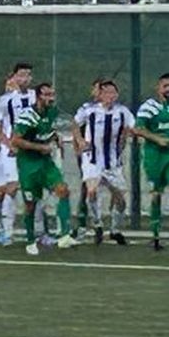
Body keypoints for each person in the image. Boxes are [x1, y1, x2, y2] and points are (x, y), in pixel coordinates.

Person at [10, 83, 79, 257]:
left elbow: (53, 127)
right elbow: (16, 141)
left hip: (46, 163)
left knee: (63, 190)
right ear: (38, 97)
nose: (51, 98)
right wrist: (39, 147)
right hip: (28, 165)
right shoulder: (28, 116)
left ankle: (64, 235)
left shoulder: (52, 112)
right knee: (31, 204)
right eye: (47, 95)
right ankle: (30, 240)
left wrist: (56, 137)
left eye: (52, 94)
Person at [133, 73, 169, 251]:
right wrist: (157, 139)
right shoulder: (149, 107)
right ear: (158, 88)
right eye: (166, 86)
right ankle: (155, 233)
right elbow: (138, 129)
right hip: (154, 157)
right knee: (156, 194)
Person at [0, 63, 36, 246]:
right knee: (0, 193)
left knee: (16, 188)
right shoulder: (1, 103)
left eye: (27, 75)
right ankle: (3, 229)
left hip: (22, 151)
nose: (23, 79)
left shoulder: (36, 97)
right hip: (1, 153)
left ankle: (22, 231)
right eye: (19, 76)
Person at [74, 79, 135, 245]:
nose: (110, 96)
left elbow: (132, 127)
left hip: (113, 162)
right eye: (106, 92)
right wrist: (80, 141)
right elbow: (75, 124)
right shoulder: (89, 109)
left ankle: (114, 230)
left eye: (113, 92)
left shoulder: (123, 111)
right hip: (92, 159)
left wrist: (126, 135)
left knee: (120, 199)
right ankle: (98, 223)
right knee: (91, 190)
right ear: (100, 94)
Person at [69, 80, 102, 237]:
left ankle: (107, 224)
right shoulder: (86, 108)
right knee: (87, 186)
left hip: (107, 156)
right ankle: (83, 222)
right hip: (89, 155)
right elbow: (75, 127)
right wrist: (78, 145)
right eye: (98, 88)